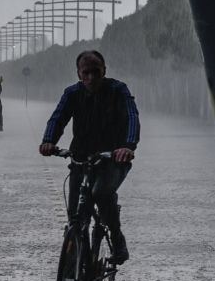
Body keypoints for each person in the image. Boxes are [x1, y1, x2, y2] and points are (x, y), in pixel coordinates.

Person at [38, 50, 139, 264]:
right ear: (78, 74)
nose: (91, 77)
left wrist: (127, 147)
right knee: (75, 216)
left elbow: (131, 117)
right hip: (80, 159)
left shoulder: (118, 90)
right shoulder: (72, 94)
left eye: (96, 72)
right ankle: (72, 277)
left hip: (112, 159)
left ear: (104, 71)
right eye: (86, 73)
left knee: (101, 192)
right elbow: (58, 117)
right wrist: (49, 141)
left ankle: (117, 237)